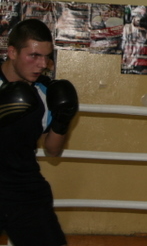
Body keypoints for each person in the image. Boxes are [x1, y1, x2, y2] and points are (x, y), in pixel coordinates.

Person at [0, 19, 79, 246]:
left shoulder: (45, 91)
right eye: (34, 56)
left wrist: (62, 120)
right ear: (12, 52)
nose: (42, 64)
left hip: (23, 188)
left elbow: (53, 150)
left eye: (46, 57)